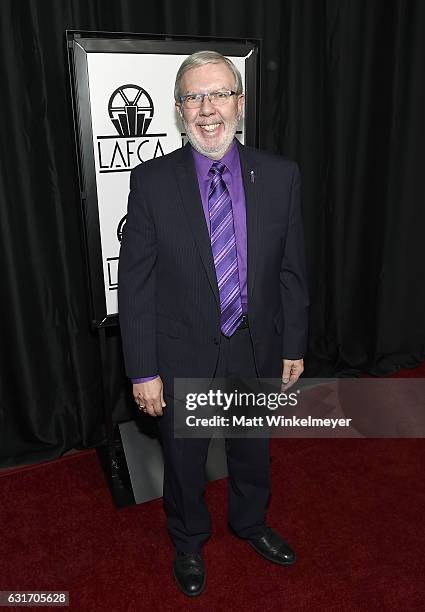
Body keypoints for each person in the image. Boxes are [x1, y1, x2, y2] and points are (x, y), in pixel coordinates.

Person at [118, 50, 309, 597]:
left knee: (253, 448)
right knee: (184, 461)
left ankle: (250, 523)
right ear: (180, 111)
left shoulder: (279, 175)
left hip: (255, 348)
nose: (208, 109)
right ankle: (188, 540)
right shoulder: (152, 182)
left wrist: (294, 341)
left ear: (240, 103)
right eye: (194, 97)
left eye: (219, 93)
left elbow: (292, 269)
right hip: (181, 354)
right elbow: (135, 284)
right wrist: (142, 370)